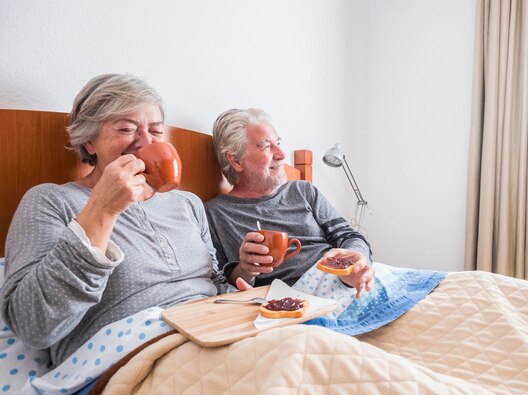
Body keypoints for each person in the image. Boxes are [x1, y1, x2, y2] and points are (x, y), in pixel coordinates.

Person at [0, 74, 250, 367]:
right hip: (134, 356)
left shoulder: (187, 203)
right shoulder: (51, 201)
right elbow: (33, 326)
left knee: (311, 339)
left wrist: (242, 278)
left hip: (218, 328)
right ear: (89, 140)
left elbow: (213, 280)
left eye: (156, 130)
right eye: (126, 128)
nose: (145, 141)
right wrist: (102, 210)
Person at [204, 108, 375, 297]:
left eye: (278, 143)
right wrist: (245, 270)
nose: (282, 154)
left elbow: (350, 236)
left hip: (348, 282)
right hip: (295, 300)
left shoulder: (303, 191)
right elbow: (217, 283)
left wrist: (357, 260)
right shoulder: (213, 214)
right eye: (266, 146)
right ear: (235, 160)